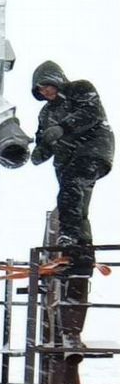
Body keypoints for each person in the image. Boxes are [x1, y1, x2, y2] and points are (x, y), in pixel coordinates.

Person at [31, 60, 115, 249]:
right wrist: (38, 153)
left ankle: (69, 236)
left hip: (91, 149)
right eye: (41, 90)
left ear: (57, 80)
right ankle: (82, 251)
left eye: (47, 86)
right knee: (74, 204)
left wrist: (63, 127)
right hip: (66, 160)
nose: (45, 92)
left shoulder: (80, 88)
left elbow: (91, 112)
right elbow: (44, 141)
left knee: (72, 186)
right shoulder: (45, 114)